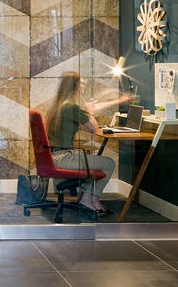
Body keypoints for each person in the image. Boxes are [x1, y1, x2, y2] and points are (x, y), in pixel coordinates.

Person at [43, 71, 129, 215]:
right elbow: (93, 128)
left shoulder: (58, 105)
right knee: (108, 163)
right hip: (64, 158)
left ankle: (89, 199)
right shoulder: (71, 106)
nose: (83, 88)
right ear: (75, 87)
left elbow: (90, 109)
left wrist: (117, 101)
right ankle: (90, 199)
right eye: (82, 84)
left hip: (53, 156)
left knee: (98, 163)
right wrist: (91, 112)